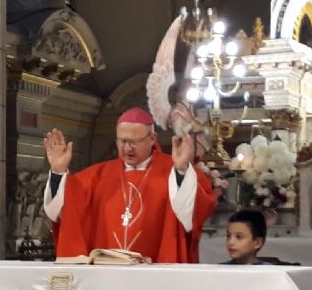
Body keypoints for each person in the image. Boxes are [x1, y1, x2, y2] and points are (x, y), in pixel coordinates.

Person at [42, 107, 217, 263]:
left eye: (134, 141)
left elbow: (194, 213)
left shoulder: (173, 169)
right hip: (106, 275)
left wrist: (181, 171)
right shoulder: (96, 176)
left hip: (158, 274)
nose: (127, 148)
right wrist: (58, 172)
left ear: (152, 139)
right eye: (122, 141)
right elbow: (63, 212)